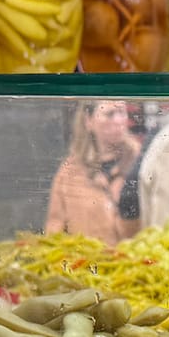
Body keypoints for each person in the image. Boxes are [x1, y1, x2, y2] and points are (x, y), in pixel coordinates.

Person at [44, 101, 142, 242]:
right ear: (88, 120)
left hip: (134, 254)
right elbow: (54, 228)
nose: (118, 120)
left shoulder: (140, 161)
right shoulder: (71, 171)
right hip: (85, 256)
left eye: (121, 112)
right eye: (109, 114)